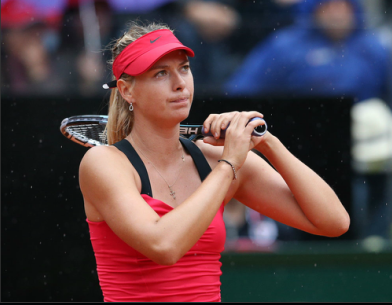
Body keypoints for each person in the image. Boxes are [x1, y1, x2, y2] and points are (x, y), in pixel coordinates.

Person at [78, 21, 350, 302]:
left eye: (184, 68)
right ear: (126, 90)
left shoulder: (214, 161)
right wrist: (229, 163)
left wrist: (266, 142)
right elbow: (164, 246)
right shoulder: (103, 163)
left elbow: (334, 222)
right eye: (161, 74)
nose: (179, 83)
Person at [223, 0, 392, 241]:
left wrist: (389, 127)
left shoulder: (376, 47)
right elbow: (239, 93)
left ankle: (371, 245)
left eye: (344, 5)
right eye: (328, 5)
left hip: (369, 154)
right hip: (302, 150)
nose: (337, 12)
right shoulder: (285, 46)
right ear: (313, 10)